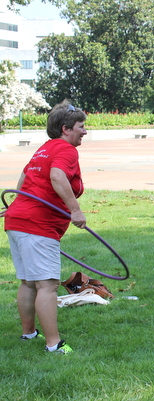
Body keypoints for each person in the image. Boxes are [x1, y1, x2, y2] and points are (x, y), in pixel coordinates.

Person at [1, 101, 88, 354]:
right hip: (37, 224)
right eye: (81, 127)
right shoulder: (66, 149)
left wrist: (18, 203)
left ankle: (29, 333)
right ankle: (53, 344)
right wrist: (75, 210)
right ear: (66, 128)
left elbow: (25, 176)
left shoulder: (44, 148)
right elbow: (58, 176)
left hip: (18, 220)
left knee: (29, 282)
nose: (84, 131)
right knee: (47, 285)